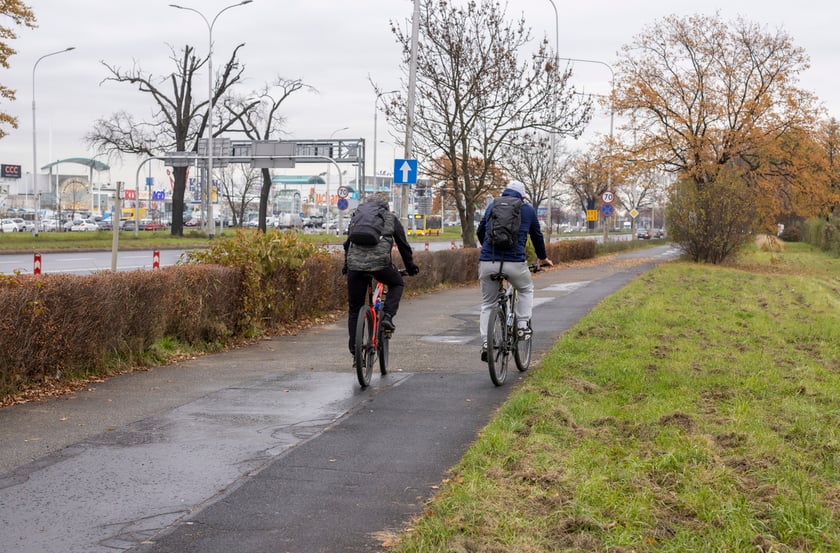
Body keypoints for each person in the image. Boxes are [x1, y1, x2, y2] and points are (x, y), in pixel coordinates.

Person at [475, 180, 553, 361]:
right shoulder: (527, 210)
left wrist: (486, 249)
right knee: (526, 289)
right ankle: (522, 326)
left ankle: (487, 342)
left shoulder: (492, 206)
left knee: (488, 303)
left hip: (488, 261)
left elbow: (480, 231)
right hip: (515, 263)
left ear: (505, 193)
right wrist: (542, 257)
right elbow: (537, 236)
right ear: (522, 196)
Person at [343, 193, 419, 357]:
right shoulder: (390, 219)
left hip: (355, 267)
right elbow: (403, 246)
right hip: (380, 266)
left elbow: (348, 244)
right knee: (397, 283)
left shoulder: (357, 217)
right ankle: (387, 317)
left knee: (355, 308)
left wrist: (346, 266)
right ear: (385, 207)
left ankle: (355, 348)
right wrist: (411, 268)